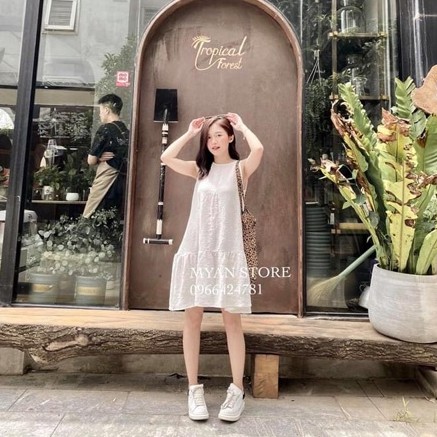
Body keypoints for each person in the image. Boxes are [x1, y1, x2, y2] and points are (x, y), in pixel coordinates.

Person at [161, 113, 263, 422]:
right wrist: (191, 133)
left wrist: (243, 126)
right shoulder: (200, 170)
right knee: (192, 318)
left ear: (230, 137)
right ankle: (193, 389)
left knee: (232, 321)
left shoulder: (240, 169)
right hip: (198, 249)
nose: (213, 141)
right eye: (209, 137)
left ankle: (237, 390)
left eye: (219, 135)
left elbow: (258, 149)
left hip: (227, 252)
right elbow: (166, 157)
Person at [83, 94, 129, 218]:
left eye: (100, 110)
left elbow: (91, 160)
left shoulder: (105, 129)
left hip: (106, 179)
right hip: (122, 180)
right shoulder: (126, 131)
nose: (99, 114)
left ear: (107, 110)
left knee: (92, 213)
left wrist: (98, 158)